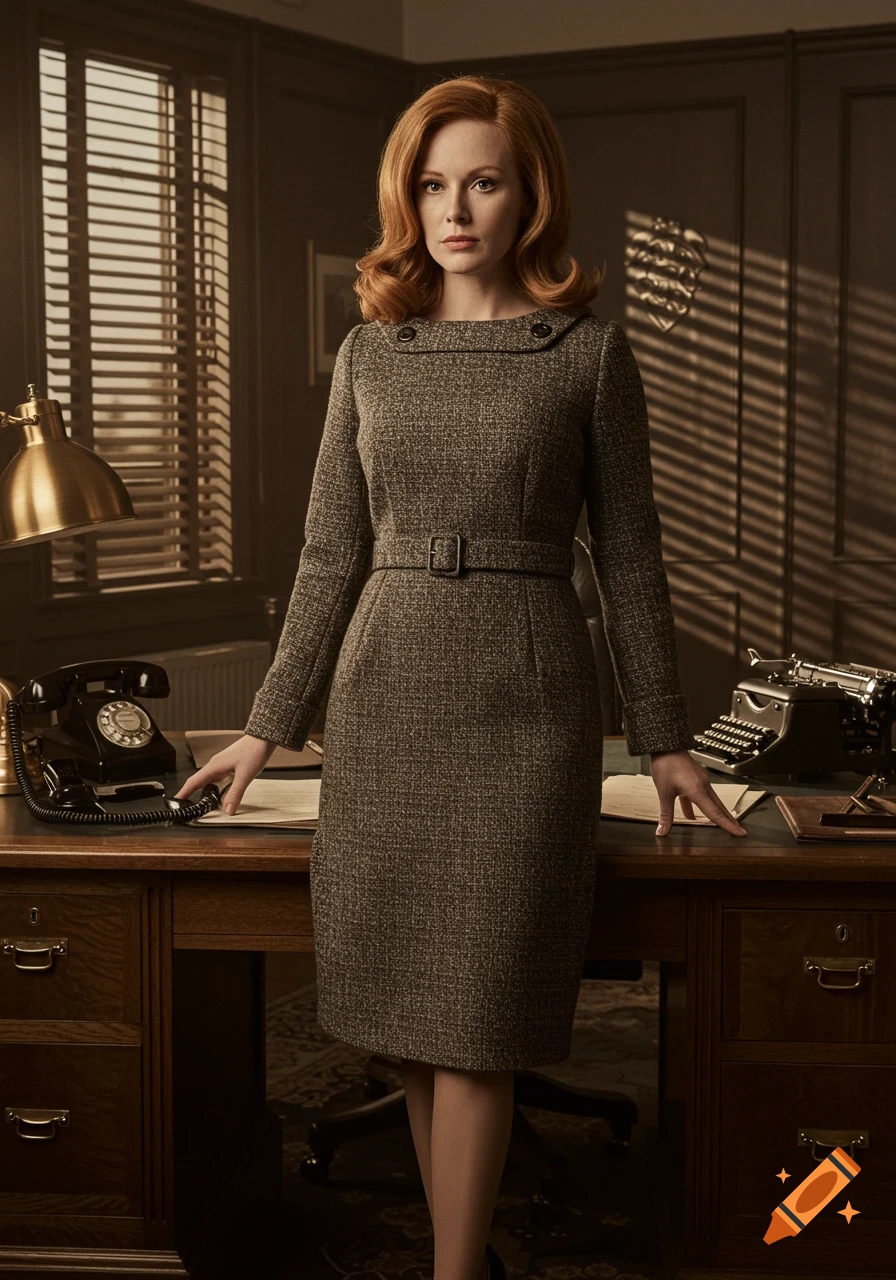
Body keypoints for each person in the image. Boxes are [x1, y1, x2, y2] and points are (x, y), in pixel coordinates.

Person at [175, 74, 747, 1280]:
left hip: (527, 699)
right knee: (412, 1024)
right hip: (385, 692)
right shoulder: (371, 352)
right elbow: (329, 552)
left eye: (481, 180)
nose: (454, 207)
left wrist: (664, 736)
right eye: (432, 184)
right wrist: (267, 726)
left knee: (479, 1019)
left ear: (528, 189)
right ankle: (463, 1253)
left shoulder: (587, 354)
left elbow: (633, 561)